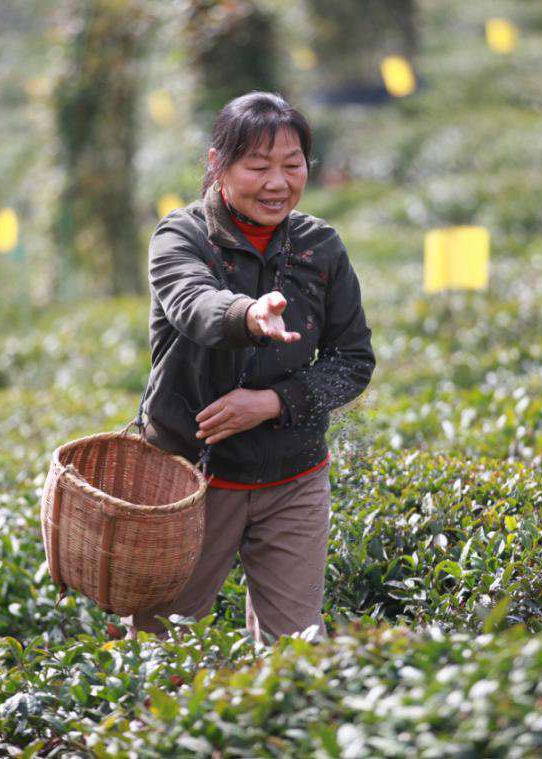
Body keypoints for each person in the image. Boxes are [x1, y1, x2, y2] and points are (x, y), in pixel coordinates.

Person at [125, 91, 375, 642]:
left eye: (292, 165)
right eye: (258, 167)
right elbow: (194, 304)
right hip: (190, 479)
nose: (277, 183)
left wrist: (272, 403)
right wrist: (249, 314)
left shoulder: (320, 247)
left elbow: (352, 360)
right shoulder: (181, 236)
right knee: (162, 641)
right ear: (218, 164)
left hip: (293, 477)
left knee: (295, 649)